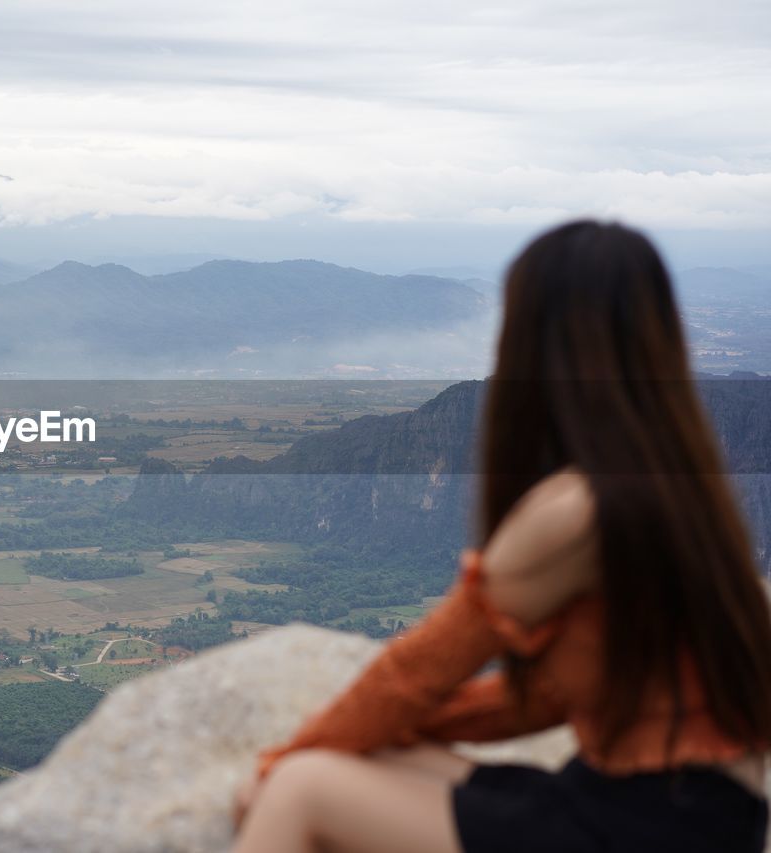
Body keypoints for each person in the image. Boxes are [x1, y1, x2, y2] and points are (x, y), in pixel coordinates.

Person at [231, 220, 771, 853]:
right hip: (697, 815)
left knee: (300, 786)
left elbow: (414, 672)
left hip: (643, 825)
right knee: (386, 758)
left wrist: (276, 764)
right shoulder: (680, 485)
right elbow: (540, 696)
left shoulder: (576, 511)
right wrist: (405, 730)